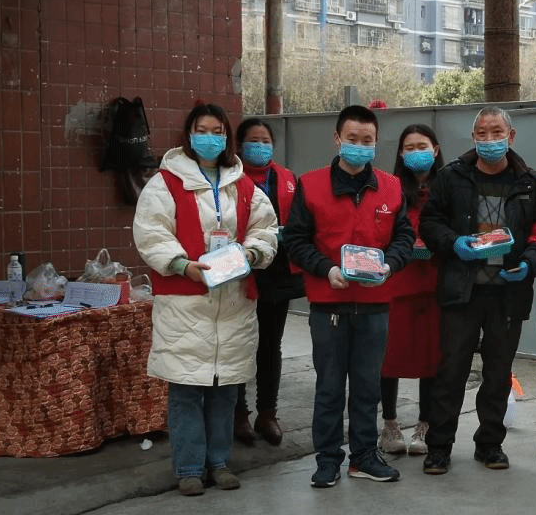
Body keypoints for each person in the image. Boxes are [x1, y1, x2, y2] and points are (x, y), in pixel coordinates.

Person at [133, 102, 278, 496]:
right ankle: (189, 468)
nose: (210, 138)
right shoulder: (165, 182)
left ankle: (219, 462)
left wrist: (253, 253)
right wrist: (182, 265)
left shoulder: (242, 184)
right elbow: (151, 232)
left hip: (232, 303)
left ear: (227, 137)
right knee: (186, 390)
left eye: (218, 131)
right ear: (189, 134)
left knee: (224, 389)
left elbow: (266, 228)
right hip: (186, 304)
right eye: (202, 130)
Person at [283, 104, 415, 489]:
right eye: (352, 138)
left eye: (367, 140)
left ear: (376, 143)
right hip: (329, 303)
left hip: (375, 305)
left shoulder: (391, 187)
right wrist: (327, 269)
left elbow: (404, 236)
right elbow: (296, 240)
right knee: (328, 389)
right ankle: (327, 461)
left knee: (367, 387)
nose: (359, 145)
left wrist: (389, 264)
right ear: (337, 139)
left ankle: (363, 457)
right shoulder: (311, 185)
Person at [418, 106, 536, 475]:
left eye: (497, 133)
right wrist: (453, 242)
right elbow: (429, 221)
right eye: (482, 133)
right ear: (473, 137)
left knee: (498, 372)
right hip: (461, 290)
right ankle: (439, 447)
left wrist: (530, 263)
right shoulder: (451, 177)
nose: (489, 140)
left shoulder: (531, 183)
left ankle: (490, 444)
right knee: (451, 371)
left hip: (508, 292)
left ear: (511, 137)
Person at [232, 118, 304, 447]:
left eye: (266, 141)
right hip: (241, 270)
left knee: (270, 344)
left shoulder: (287, 178)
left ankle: (267, 413)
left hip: (278, 272)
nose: (260, 146)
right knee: (239, 343)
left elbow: (300, 219)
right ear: (239, 146)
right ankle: (238, 413)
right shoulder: (230, 179)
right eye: (253, 141)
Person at [378, 125, 444, 456]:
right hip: (398, 284)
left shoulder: (447, 187)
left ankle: (424, 425)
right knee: (390, 359)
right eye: (409, 147)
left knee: (431, 359)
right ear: (401, 153)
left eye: (422, 146)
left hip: (435, 286)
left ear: (436, 150)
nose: (416, 152)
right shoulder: (390, 189)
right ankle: (389, 424)